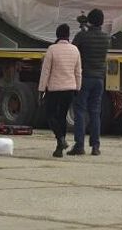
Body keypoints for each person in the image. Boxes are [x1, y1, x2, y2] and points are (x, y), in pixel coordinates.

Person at [69, 8, 109, 156]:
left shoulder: (82, 36)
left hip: (84, 77)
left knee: (80, 111)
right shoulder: (106, 38)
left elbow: (74, 50)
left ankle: (79, 145)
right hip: (99, 78)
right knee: (95, 112)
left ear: (90, 20)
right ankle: (96, 146)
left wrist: (84, 29)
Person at [39, 23, 81, 158]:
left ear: (57, 35)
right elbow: (78, 72)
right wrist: (78, 87)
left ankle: (61, 139)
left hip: (54, 89)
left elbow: (45, 72)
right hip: (69, 89)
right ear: (68, 35)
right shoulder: (75, 50)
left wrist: (41, 89)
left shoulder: (52, 49)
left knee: (50, 114)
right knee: (62, 116)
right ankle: (59, 149)